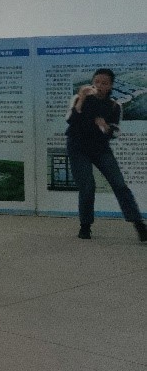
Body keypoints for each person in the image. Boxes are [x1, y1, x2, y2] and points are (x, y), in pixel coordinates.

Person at [66, 68, 147, 242]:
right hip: (78, 147)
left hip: (100, 148)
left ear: (110, 86)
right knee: (87, 186)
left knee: (119, 184)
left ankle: (139, 225)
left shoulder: (114, 106)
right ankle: (85, 226)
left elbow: (115, 132)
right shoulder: (79, 98)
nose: (99, 86)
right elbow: (70, 120)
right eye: (96, 82)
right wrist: (81, 99)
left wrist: (105, 127)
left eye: (104, 83)